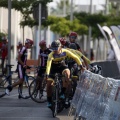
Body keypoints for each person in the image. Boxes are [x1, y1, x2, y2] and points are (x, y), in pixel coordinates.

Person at [45, 40, 85, 107]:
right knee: (49, 84)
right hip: (53, 68)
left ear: (60, 47)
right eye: (53, 49)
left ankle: (62, 93)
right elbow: (48, 65)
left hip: (61, 66)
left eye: (56, 49)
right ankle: (49, 100)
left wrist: (81, 66)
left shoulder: (65, 52)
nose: (54, 51)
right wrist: (47, 74)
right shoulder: (51, 55)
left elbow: (76, 57)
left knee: (67, 73)